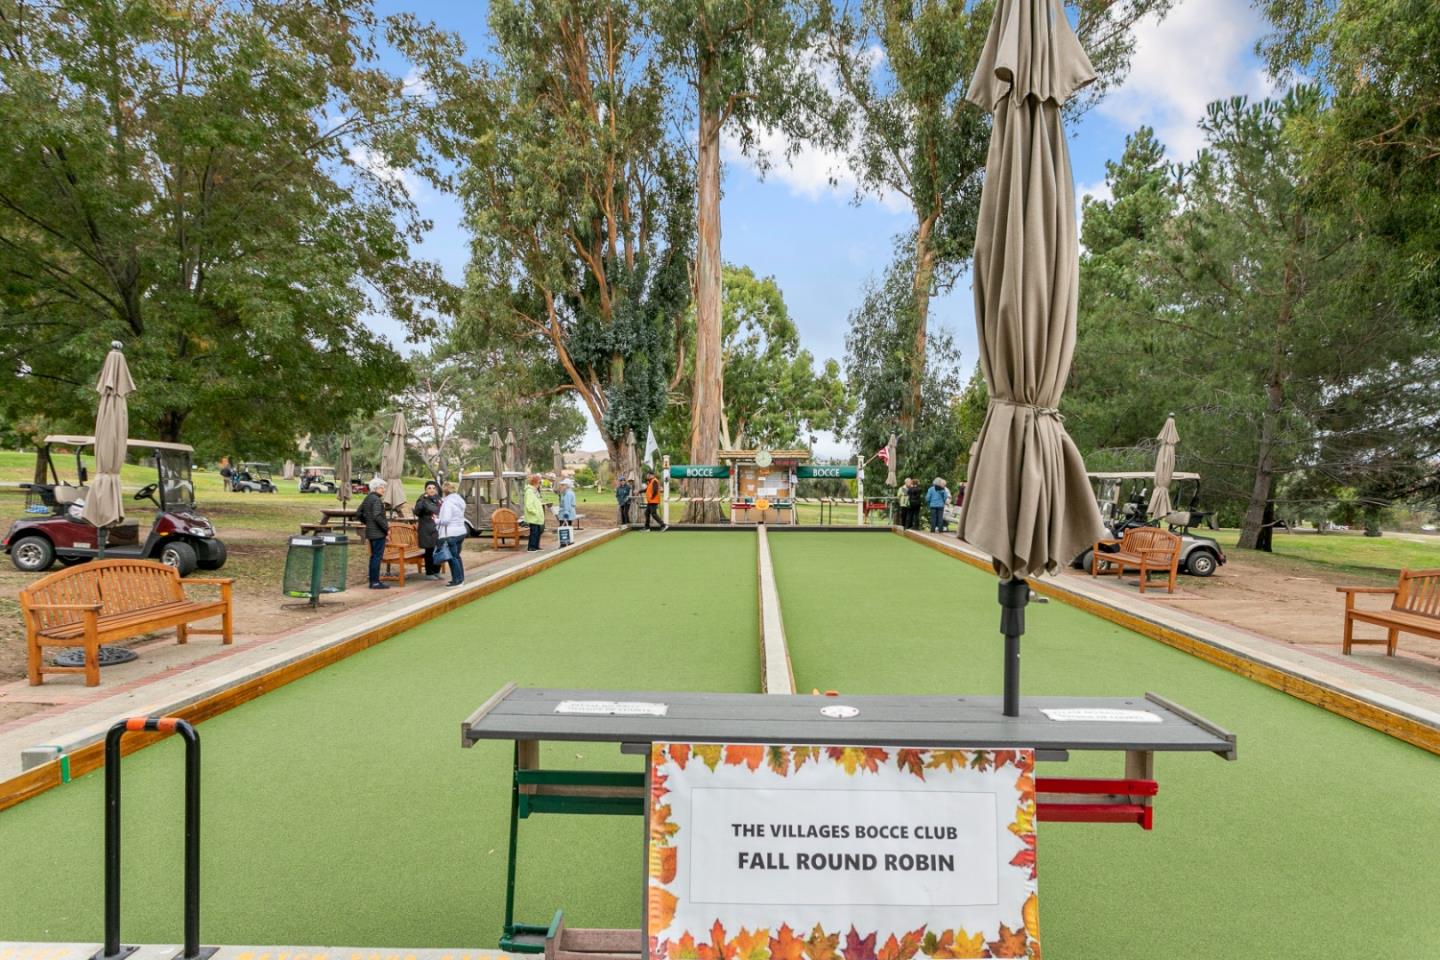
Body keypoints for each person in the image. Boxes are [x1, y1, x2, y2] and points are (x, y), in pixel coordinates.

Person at [357, 478, 390, 589]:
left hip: (371, 532)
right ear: (376, 488)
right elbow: (377, 516)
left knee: (373, 557)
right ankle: (375, 582)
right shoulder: (376, 500)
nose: (384, 490)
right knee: (377, 557)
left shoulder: (368, 498)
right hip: (378, 533)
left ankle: (373, 581)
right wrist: (386, 529)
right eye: (382, 487)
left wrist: (367, 522)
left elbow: (358, 513)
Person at [437, 481, 468, 584]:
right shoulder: (459, 501)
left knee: (452, 557)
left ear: (444, 491)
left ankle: (457, 580)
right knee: (457, 556)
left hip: (451, 533)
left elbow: (445, 520)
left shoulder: (448, 503)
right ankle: (460, 578)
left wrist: (436, 520)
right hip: (461, 531)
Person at [413, 480, 443, 579]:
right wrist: (422, 501)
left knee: (438, 549)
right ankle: (429, 573)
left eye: (434, 488)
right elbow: (417, 511)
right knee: (429, 550)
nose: (432, 490)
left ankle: (436, 571)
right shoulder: (422, 499)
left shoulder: (438, 499)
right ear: (425, 490)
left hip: (437, 528)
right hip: (426, 529)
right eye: (429, 488)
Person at [523, 473, 546, 551]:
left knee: (538, 531)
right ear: (535, 482)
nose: (540, 484)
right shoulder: (529, 491)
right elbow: (528, 505)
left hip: (537, 516)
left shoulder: (535, 491)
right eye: (539, 482)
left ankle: (536, 546)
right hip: (533, 516)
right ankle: (531, 547)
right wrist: (535, 512)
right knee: (534, 532)